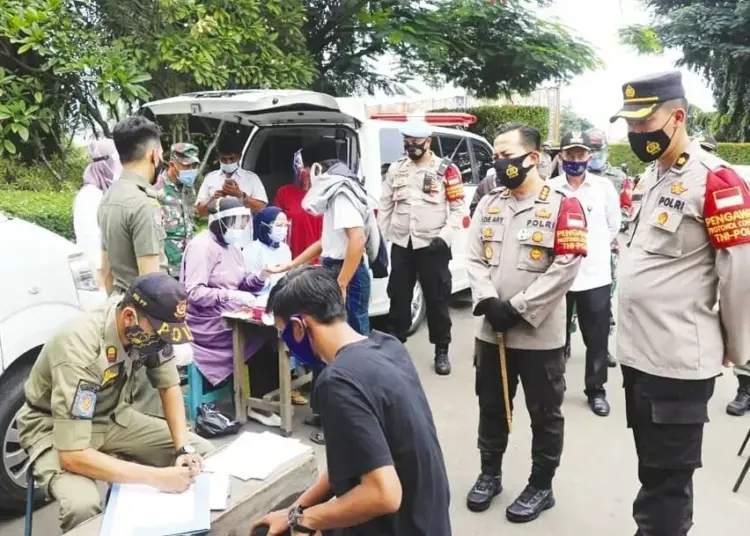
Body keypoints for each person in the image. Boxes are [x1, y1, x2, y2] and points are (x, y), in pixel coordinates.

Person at [610, 71, 750, 535]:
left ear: (678, 117)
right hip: (640, 357)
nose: (636, 135)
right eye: (629, 126)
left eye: (644, 124)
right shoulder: (652, 177)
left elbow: (739, 277)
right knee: (652, 471)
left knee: (667, 486)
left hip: (676, 363)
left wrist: (737, 348)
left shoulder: (716, 182)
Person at [251, 266, 451, 536]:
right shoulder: (388, 346)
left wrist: (302, 520)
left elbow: (384, 494)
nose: (286, 345)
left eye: (283, 334)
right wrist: (294, 512)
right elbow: (355, 461)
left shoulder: (337, 382)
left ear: (299, 327)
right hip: (428, 521)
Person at [17, 273, 214, 534]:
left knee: (203, 454)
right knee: (82, 506)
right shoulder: (80, 346)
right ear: (129, 317)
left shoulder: (149, 329)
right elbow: (72, 455)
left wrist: (183, 449)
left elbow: (168, 386)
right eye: (158, 334)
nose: (161, 342)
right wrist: (157, 478)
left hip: (111, 416)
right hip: (54, 429)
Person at [465, 123, 587, 522]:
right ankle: (490, 474)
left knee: (545, 415)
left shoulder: (564, 205)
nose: (499, 163)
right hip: (491, 330)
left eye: (506, 155)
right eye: (496, 156)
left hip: (539, 334)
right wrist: (486, 298)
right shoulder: (489, 202)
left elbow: (566, 267)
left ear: (532, 157)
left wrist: (517, 307)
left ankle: (541, 484)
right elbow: (474, 257)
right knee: (492, 406)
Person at [181, 196, 282, 423]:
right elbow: (193, 293)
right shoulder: (201, 247)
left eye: (243, 222)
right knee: (261, 338)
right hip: (207, 325)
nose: (239, 228)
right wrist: (230, 295)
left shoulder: (233, 247)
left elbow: (242, 283)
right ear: (220, 222)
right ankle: (257, 404)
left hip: (231, 314)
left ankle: (262, 399)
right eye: (235, 222)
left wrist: (260, 276)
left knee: (272, 332)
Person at [378, 121, 467, 375]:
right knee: (398, 297)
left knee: (437, 299)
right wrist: (381, 241)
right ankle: (395, 347)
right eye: (407, 143)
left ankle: (441, 350)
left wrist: (445, 236)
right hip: (402, 243)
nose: (411, 147)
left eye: (416, 143)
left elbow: (458, 208)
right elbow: (385, 205)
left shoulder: (446, 170)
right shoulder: (396, 169)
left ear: (428, 142)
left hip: (432, 244)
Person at [98, 116, 170, 416]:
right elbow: (151, 281)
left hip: (118, 312)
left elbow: (106, 270)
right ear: (155, 154)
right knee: (151, 403)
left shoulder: (109, 198)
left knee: (126, 398)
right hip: (145, 319)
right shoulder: (144, 204)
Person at [548, 131, 621, 417]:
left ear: (589, 157)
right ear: (561, 156)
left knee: (597, 337)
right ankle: (554, 387)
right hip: (559, 276)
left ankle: (596, 390)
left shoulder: (603, 188)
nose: (575, 160)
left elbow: (614, 227)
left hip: (595, 276)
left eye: (580, 155)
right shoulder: (550, 188)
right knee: (554, 336)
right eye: (570, 154)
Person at [244, 206, 308, 407]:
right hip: (261, 303)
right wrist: (264, 276)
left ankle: (289, 385)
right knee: (268, 346)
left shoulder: (285, 249)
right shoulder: (252, 250)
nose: (283, 229)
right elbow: (249, 284)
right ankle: (273, 391)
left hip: (283, 301)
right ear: (265, 226)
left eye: (285, 225)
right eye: (277, 225)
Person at [586, 128, 627, 367]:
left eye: (597, 151)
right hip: (572, 246)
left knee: (603, 300)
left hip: (606, 248)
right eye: (590, 151)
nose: (593, 156)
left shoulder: (618, 177)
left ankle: (602, 347)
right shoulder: (567, 173)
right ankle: (565, 343)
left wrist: (602, 238)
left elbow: (624, 209)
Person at [74, 138, 122, 277]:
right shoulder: (89, 196)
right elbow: (90, 243)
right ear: (104, 165)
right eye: (116, 164)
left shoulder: (103, 194)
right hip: (99, 275)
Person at [273, 146, 324, 260]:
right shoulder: (284, 192)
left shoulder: (325, 193)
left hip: (320, 261)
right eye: (302, 168)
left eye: (309, 168)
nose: (304, 172)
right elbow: (274, 224)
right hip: (290, 259)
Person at [196, 136, 267, 218]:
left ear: (239, 156)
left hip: (243, 230)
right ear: (219, 157)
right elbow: (200, 212)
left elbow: (261, 208)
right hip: (216, 229)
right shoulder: (210, 178)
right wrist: (212, 200)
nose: (228, 163)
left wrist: (241, 195)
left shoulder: (251, 178)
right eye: (224, 159)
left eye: (232, 158)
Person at [160, 142, 201, 279]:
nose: (191, 169)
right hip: (167, 270)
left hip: (188, 266)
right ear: (172, 164)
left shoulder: (188, 188)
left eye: (194, 165)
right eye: (186, 166)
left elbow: (190, 221)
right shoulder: (157, 189)